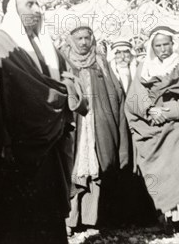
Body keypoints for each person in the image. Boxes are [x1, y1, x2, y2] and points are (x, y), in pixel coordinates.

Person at [0, 0, 85, 243]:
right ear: (13, 10)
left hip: (53, 140)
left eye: (37, 4)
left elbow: (70, 79)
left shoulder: (45, 44)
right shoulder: (3, 40)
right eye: (29, 5)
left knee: (51, 211)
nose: (37, 9)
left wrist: (67, 88)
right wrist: (62, 92)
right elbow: (25, 89)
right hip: (25, 142)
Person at [125, 26, 179, 240]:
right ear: (153, 47)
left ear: (173, 45)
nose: (163, 49)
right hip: (154, 127)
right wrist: (150, 110)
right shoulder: (144, 68)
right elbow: (134, 97)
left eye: (166, 44)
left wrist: (168, 112)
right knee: (161, 174)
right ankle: (167, 220)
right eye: (158, 45)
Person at [64, 24, 130, 234]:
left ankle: (92, 219)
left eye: (87, 38)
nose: (83, 42)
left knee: (98, 167)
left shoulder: (100, 61)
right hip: (75, 122)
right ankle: (69, 220)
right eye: (79, 38)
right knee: (72, 167)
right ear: (71, 40)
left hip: (97, 121)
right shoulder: (63, 59)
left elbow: (115, 93)